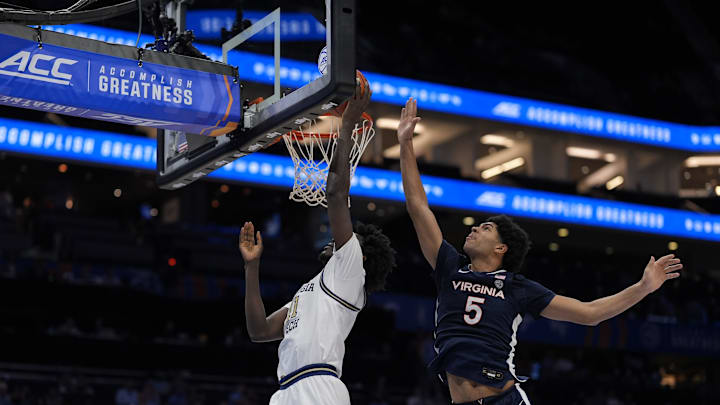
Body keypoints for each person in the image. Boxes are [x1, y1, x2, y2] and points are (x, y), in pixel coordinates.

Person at [396, 97, 683, 405]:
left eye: (485, 228)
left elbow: (590, 314)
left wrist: (643, 287)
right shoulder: (449, 266)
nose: (474, 229)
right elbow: (418, 206)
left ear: (501, 248)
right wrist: (405, 144)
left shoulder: (518, 288)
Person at [240, 76, 396, 405]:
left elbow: (336, 195)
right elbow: (259, 332)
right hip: (285, 390)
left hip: (319, 385)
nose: (334, 240)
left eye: (345, 241)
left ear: (361, 255)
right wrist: (251, 267)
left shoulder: (351, 269)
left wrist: (348, 124)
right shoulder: (312, 289)